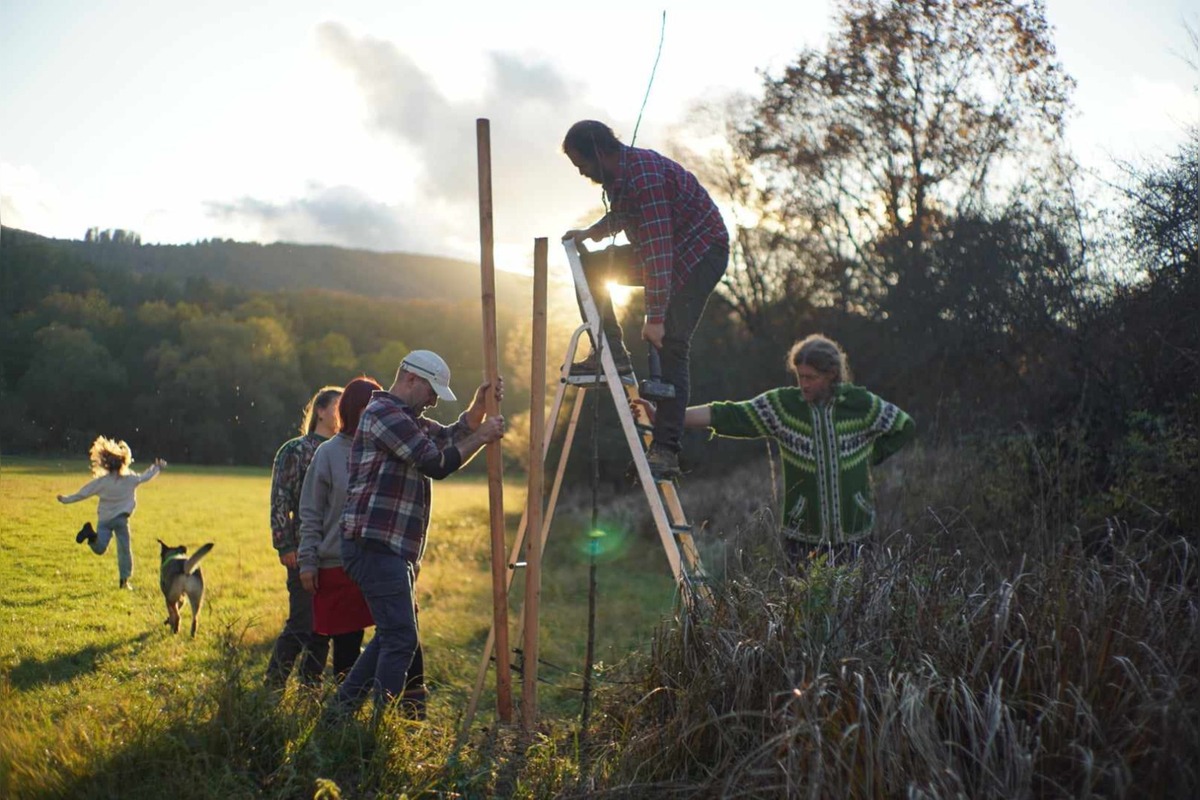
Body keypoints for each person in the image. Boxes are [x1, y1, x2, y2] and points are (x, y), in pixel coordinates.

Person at [635, 334, 915, 566]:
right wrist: (667, 418)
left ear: (831, 375)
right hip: (802, 536)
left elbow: (903, 425)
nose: (803, 383)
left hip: (856, 533)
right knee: (805, 615)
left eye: (810, 377)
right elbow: (728, 414)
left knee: (856, 611)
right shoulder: (783, 406)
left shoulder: (859, 403)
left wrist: (869, 457)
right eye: (799, 376)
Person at [330, 350, 505, 718]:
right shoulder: (384, 415)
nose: (432, 401)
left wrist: (477, 410)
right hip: (374, 545)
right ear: (411, 379)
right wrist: (486, 436)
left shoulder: (407, 419)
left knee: (390, 637)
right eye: (431, 392)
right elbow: (435, 463)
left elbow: (449, 438)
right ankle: (381, 728)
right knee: (401, 639)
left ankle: (338, 715)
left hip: (389, 548)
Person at [561, 119, 730, 480]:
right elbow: (625, 216)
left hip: (701, 254)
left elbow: (658, 254)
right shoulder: (622, 178)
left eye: (583, 165)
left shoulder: (645, 178)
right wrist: (592, 233)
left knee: (671, 342)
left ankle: (666, 451)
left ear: (599, 151)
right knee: (589, 267)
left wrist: (655, 318)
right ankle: (610, 352)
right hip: (668, 251)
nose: (582, 173)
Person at [296, 378, 381, 686]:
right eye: (368, 408)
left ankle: (404, 710)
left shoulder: (385, 450)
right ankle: (345, 716)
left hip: (380, 562)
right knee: (345, 646)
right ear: (353, 410)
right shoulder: (329, 454)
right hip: (337, 563)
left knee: (399, 637)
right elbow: (310, 511)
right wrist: (307, 560)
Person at [265, 385, 343, 690]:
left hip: (334, 550)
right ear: (320, 411)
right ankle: (273, 685)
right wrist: (285, 544)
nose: (341, 413)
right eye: (337, 406)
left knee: (324, 627)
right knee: (301, 622)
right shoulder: (295, 450)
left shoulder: (345, 450)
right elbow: (279, 498)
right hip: (300, 546)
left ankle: (310, 688)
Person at [58, 436, 167, 590]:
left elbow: (84, 493)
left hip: (104, 520)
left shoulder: (102, 482)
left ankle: (91, 535)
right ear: (124, 461)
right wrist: (157, 467)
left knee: (100, 548)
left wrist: (66, 499)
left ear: (106, 464)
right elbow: (145, 477)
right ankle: (124, 582)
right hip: (121, 520)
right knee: (124, 550)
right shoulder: (130, 479)